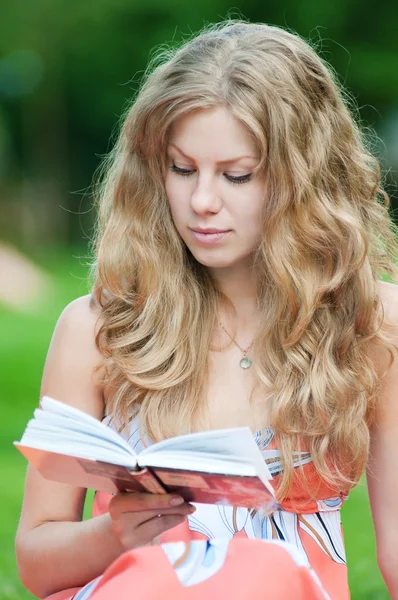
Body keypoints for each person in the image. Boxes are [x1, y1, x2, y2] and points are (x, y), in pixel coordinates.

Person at [15, 20, 398, 600]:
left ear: (303, 180)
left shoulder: (373, 326)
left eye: (236, 175)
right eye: (182, 169)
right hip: (135, 590)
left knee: (260, 573)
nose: (201, 202)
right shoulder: (98, 329)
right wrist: (117, 533)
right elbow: (37, 565)